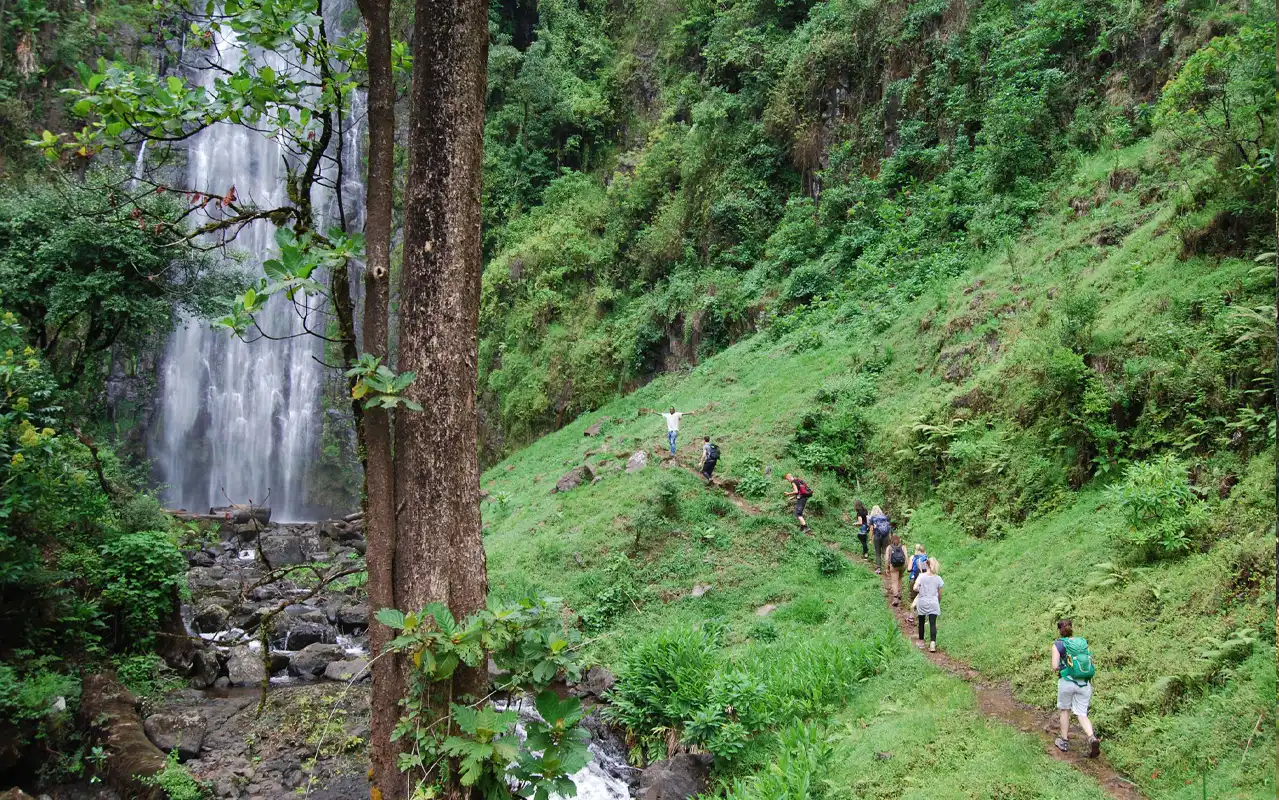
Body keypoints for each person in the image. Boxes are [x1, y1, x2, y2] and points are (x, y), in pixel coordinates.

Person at [1052, 619, 1100, 758]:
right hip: (1084, 683)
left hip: (1066, 681)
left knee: (1065, 710)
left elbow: (1055, 666)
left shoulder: (1058, 644)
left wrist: (1063, 667)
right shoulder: (1082, 643)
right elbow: (1089, 660)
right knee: (1082, 713)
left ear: (1059, 630)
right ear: (1072, 628)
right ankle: (1092, 738)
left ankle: (1064, 741)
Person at [913, 557, 943, 652]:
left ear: (926, 565)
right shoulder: (938, 578)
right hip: (933, 602)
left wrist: (920, 590)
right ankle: (932, 644)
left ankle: (921, 642)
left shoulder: (921, 576)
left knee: (921, 622)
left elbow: (914, 588)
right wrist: (937, 601)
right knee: (932, 624)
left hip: (922, 601)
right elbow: (940, 594)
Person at [907, 543, 929, 623]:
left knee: (913, 597)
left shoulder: (913, 557)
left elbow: (909, 569)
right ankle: (921, 615)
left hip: (914, 579)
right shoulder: (927, 559)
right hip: (924, 581)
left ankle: (912, 615)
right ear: (924, 551)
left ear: (916, 550)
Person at [868, 505, 891, 574]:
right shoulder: (885, 517)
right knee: (885, 552)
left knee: (878, 553)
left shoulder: (873, 518)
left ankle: (878, 569)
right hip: (885, 537)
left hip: (877, 536)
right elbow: (889, 528)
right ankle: (888, 568)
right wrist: (890, 537)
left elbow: (871, 530)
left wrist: (870, 539)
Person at [885, 534, 907, 606]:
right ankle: (899, 593)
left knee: (894, 581)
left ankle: (895, 598)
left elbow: (887, 559)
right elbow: (906, 557)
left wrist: (886, 568)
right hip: (902, 565)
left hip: (893, 566)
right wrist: (906, 566)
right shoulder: (903, 547)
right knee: (900, 578)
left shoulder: (889, 547)